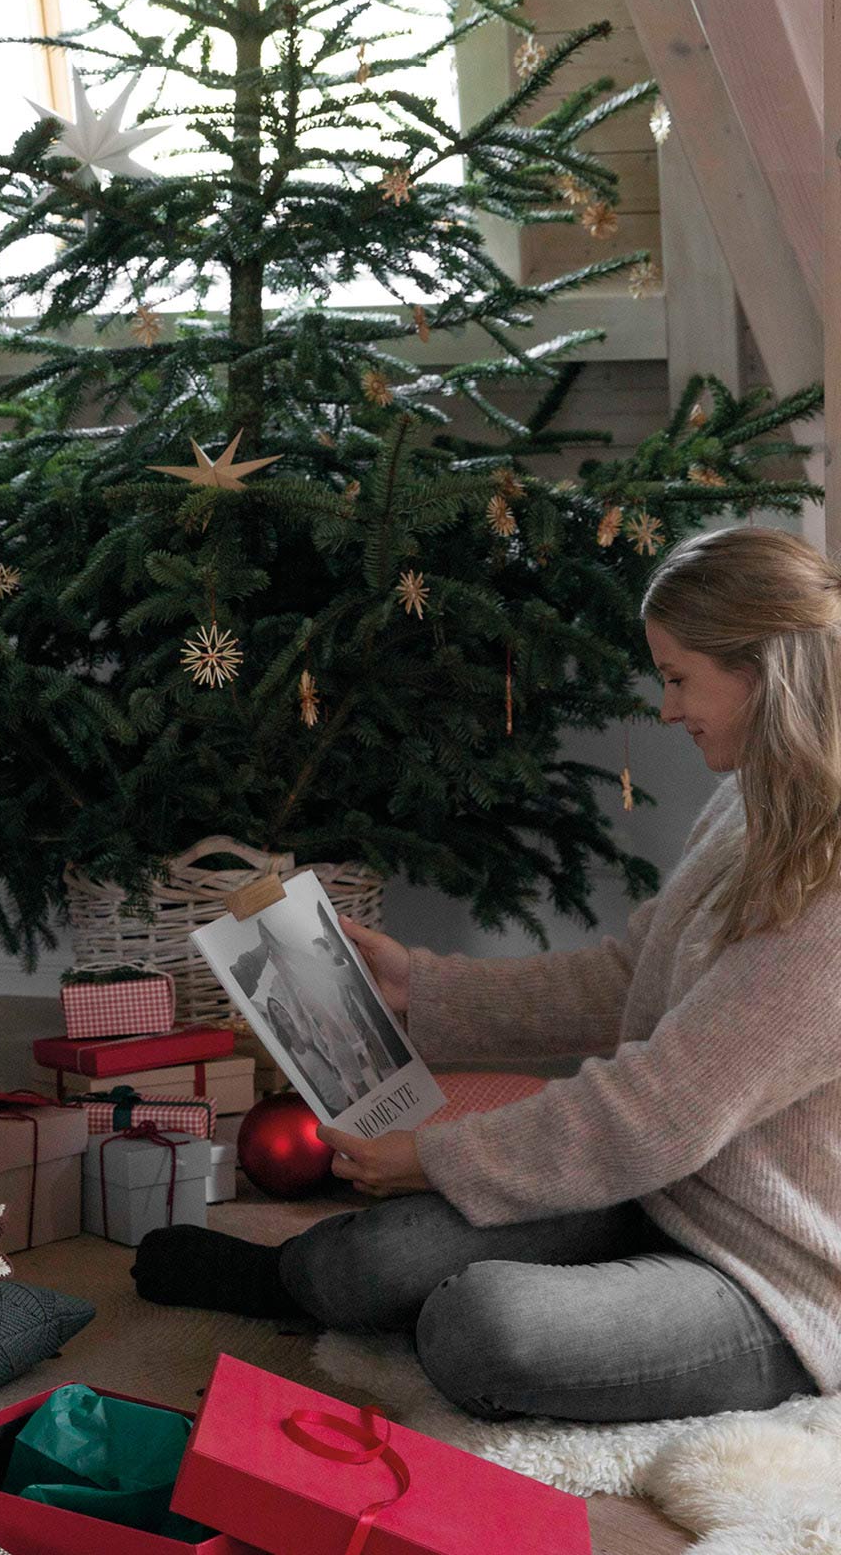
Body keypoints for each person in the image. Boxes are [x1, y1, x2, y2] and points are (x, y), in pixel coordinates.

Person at [135, 525, 841, 1424]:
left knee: (479, 1326)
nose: (666, 710)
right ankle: (298, 1280)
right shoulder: (751, 799)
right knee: (368, 1260)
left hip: (772, 1273)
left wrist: (439, 1157)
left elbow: (661, 1108)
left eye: (677, 677)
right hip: (660, 1189)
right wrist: (422, 989)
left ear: (762, 674)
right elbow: (631, 978)